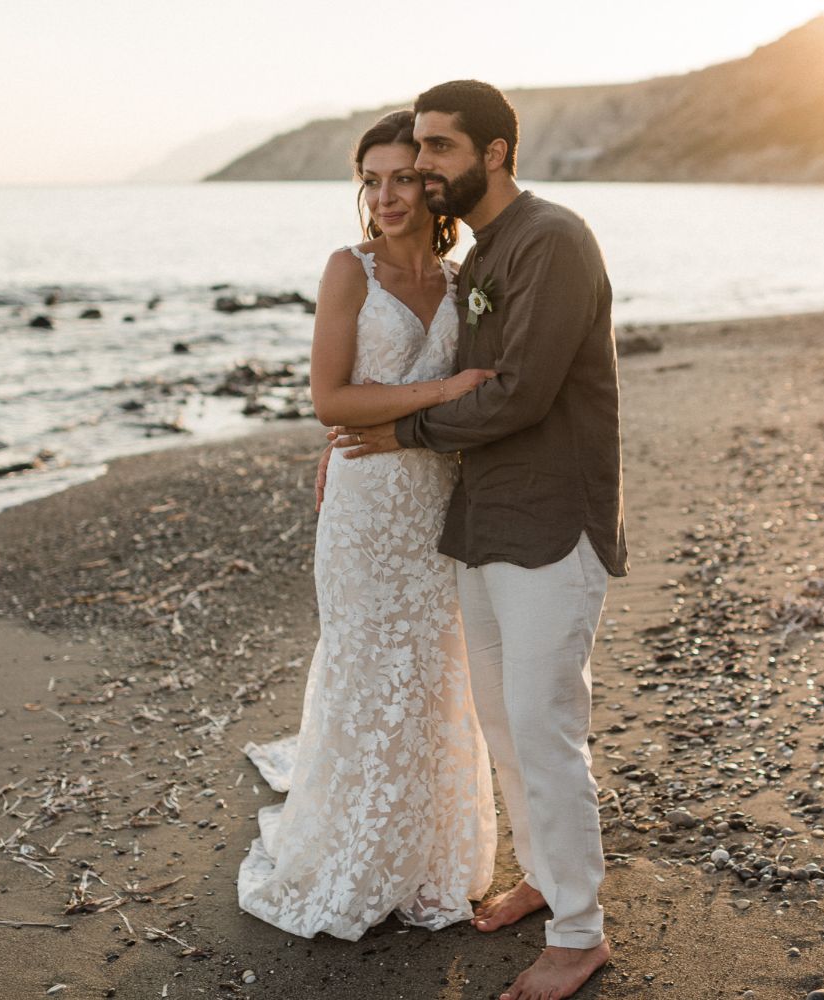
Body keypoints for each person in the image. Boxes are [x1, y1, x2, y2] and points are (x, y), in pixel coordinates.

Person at [333, 80, 628, 1000]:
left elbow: (518, 393)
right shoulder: (488, 251)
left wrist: (399, 435)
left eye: (439, 150)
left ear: (495, 152)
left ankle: (580, 936)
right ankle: (546, 877)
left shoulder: (553, 239)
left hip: (552, 523)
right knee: (503, 720)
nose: (421, 169)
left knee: (546, 727)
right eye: (415, 151)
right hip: (482, 525)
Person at [237, 109, 499, 940]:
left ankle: (429, 854)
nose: (384, 196)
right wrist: (439, 393)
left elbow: (492, 383)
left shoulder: (466, 278)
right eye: (371, 180)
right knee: (364, 665)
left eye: (401, 178)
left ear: (432, 184)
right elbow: (330, 401)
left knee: (434, 672)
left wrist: (455, 404)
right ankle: (350, 849)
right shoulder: (348, 270)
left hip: (436, 504)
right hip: (363, 507)